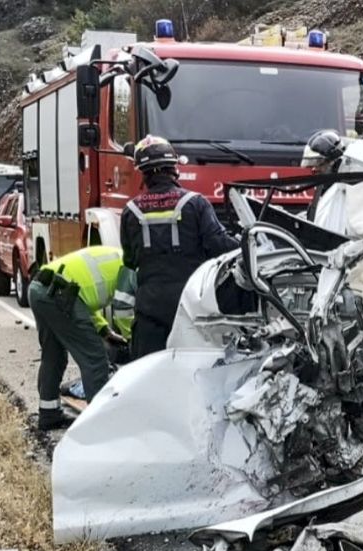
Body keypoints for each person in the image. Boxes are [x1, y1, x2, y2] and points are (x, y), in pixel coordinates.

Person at [120, 136, 238, 359]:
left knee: (148, 370)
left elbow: (129, 260)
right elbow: (219, 245)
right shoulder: (195, 203)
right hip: (190, 304)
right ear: (174, 168)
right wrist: (246, 242)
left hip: (149, 307)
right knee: (193, 367)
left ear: (142, 172)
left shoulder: (130, 210)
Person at [29, 245, 130, 430]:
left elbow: (83, 299)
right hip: (59, 293)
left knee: (54, 355)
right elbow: (124, 309)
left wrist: (104, 330)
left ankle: (49, 413)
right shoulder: (132, 268)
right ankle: (100, 424)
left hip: (39, 288)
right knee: (95, 359)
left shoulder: (116, 255)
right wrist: (130, 337)